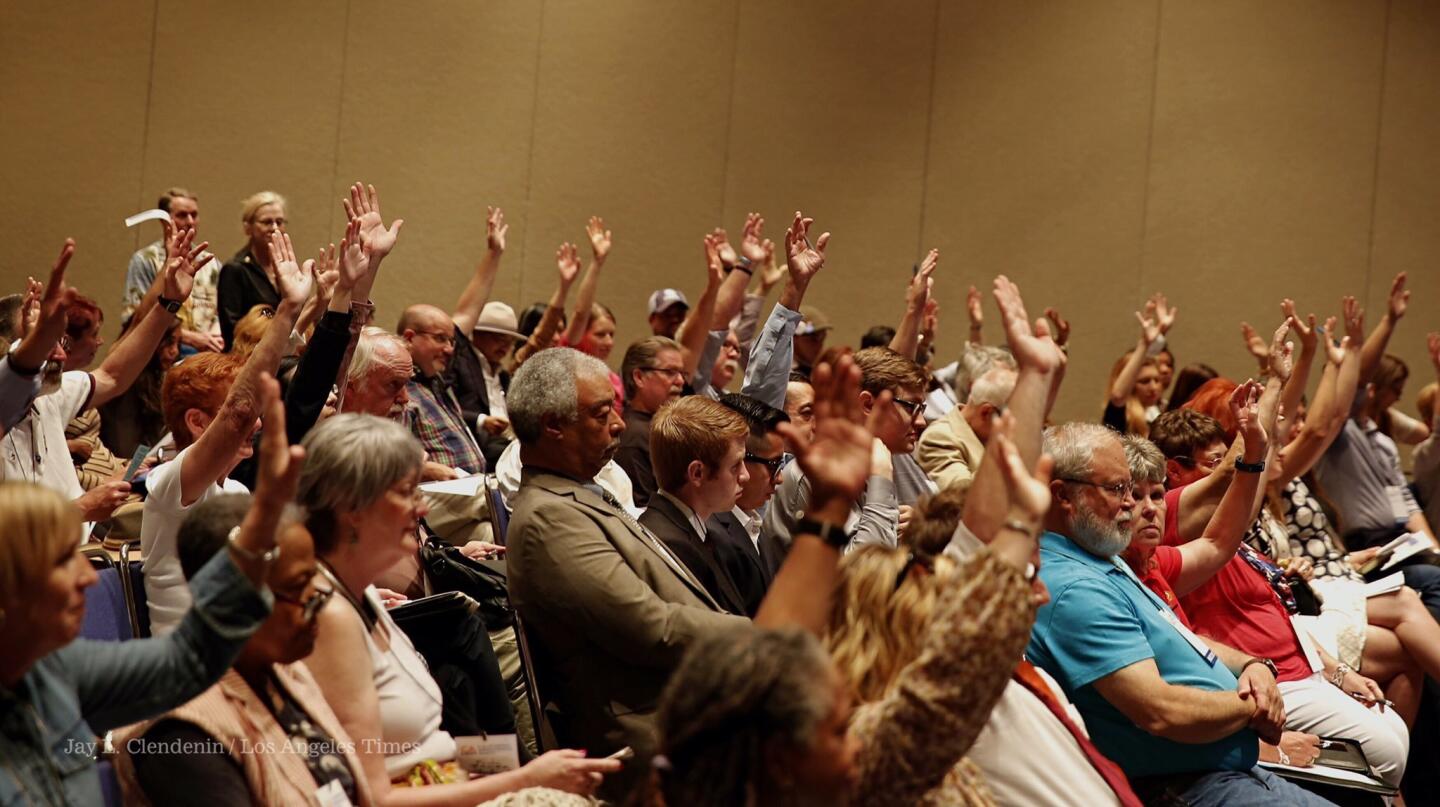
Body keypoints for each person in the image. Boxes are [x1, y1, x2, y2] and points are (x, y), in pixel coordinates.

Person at [651, 417, 1045, 806]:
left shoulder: (793, 749)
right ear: (780, 763)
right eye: (839, 733)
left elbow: (770, 657)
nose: (856, 748)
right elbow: (945, 687)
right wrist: (1021, 528)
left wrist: (830, 507)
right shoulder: (870, 763)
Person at [0, 372, 292, 804]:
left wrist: (261, 523)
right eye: (63, 560)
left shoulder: (54, 669)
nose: (88, 576)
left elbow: (187, 659)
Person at [298, 413, 619, 804]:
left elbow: (436, 751)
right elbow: (373, 799)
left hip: (454, 778)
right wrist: (524, 781)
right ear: (353, 508)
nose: (422, 509)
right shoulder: (331, 618)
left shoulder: (362, 593)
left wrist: (521, 771)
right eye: (407, 492)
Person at [1026, 421, 1335, 804]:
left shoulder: (1101, 557)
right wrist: (1254, 705)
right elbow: (1160, 711)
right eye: (1118, 489)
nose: (1132, 505)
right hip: (1183, 785)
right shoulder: (1076, 589)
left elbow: (1181, 636)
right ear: (1063, 496)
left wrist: (1253, 665)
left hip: (1225, 765)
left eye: (1137, 490)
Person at [118, 493, 373, 806]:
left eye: (314, 581)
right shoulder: (181, 735)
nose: (317, 602)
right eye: (297, 587)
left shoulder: (283, 671)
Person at [142, 229, 309, 633]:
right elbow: (237, 412)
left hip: (244, 648)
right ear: (198, 422)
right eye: (244, 413)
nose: (256, 422)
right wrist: (287, 310)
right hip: (194, 670)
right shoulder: (170, 482)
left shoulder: (235, 492)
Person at [2, 230, 209, 524]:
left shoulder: (51, 394)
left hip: (85, 545)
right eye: (42, 346)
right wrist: (83, 508)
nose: (60, 357)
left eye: (60, 343)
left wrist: (168, 305)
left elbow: (114, 375)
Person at [640, 396, 752, 616]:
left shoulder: (697, 527)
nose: (745, 476)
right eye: (735, 466)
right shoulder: (671, 546)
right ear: (697, 473)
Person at [710, 393, 790, 616]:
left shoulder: (750, 521)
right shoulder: (714, 535)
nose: (780, 478)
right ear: (739, 458)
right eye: (774, 464)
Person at [122, 187, 224, 352]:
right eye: (182, 215)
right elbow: (134, 319)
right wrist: (190, 338)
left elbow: (220, 313)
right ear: (165, 220)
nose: (190, 221)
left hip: (208, 350)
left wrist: (214, 335)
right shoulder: (145, 260)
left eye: (194, 215)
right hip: (161, 349)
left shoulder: (211, 264)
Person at [398, 303, 487, 476]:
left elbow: (466, 315)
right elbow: (393, 460)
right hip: (436, 493)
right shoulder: (399, 389)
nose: (449, 349)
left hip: (468, 487)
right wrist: (424, 469)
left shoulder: (437, 381)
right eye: (440, 338)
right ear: (409, 338)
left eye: (451, 341)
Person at [915, 365, 1016, 495]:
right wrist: (1006, 456)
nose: (1017, 428)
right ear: (986, 412)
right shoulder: (939, 437)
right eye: (1013, 420)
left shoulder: (986, 433)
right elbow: (960, 495)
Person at [217, 191, 297, 350]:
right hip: (245, 355)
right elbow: (231, 328)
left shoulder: (287, 267)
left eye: (279, 222)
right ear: (248, 228)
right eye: (267, 222)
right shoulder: (236, 269)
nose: (274, 228)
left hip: (283, 350)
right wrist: (268, 320)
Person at [615, 336, 686, 507]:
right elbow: (643, 511)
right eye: (670, 372)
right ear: (639, 377)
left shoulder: (659, 427)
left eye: (681, 373)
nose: (680, 381)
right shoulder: (633, 435)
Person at [1103, 293, 1176, 436]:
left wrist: (1161, 332)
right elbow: (1118, 395)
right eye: (1144, 381)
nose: (1153, 386)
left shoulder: (1159, 411)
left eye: (1156, 380)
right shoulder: (1120, 417)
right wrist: (1144, 343)